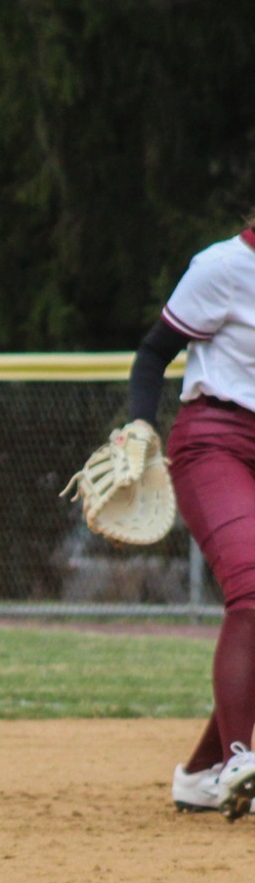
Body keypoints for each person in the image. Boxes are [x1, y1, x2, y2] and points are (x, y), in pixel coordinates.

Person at [130, 215, 255, 813]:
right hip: (216, 441)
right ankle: (238, 759)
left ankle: (203, 774)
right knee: (254, 587)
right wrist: (137, 424)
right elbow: (154, 353)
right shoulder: (224, 267)